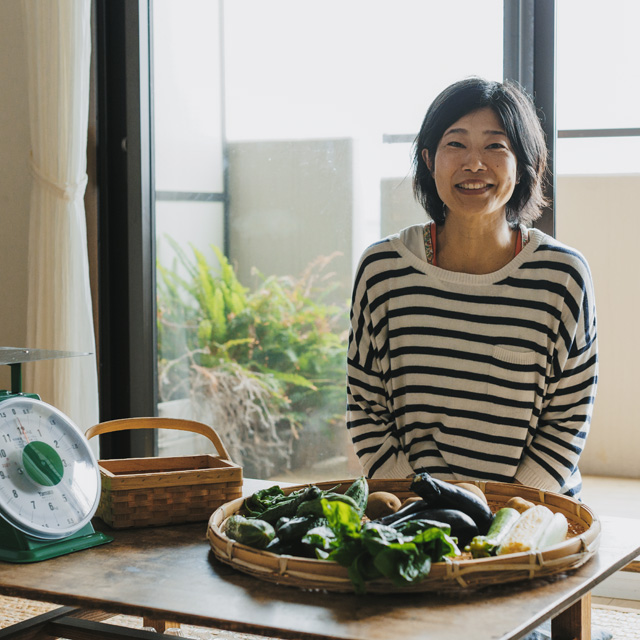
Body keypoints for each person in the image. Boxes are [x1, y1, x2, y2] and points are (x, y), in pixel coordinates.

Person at [346, 77, 598, 498]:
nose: (474, 164)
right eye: (456, 144)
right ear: (429, 160)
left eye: (495, 146)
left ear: (526, 164)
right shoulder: (383, 270)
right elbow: (366, 407)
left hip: (529, 512)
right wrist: (423, 501)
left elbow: (569, 416)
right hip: (415, 507)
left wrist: (505, 508)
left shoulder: (562, 276)